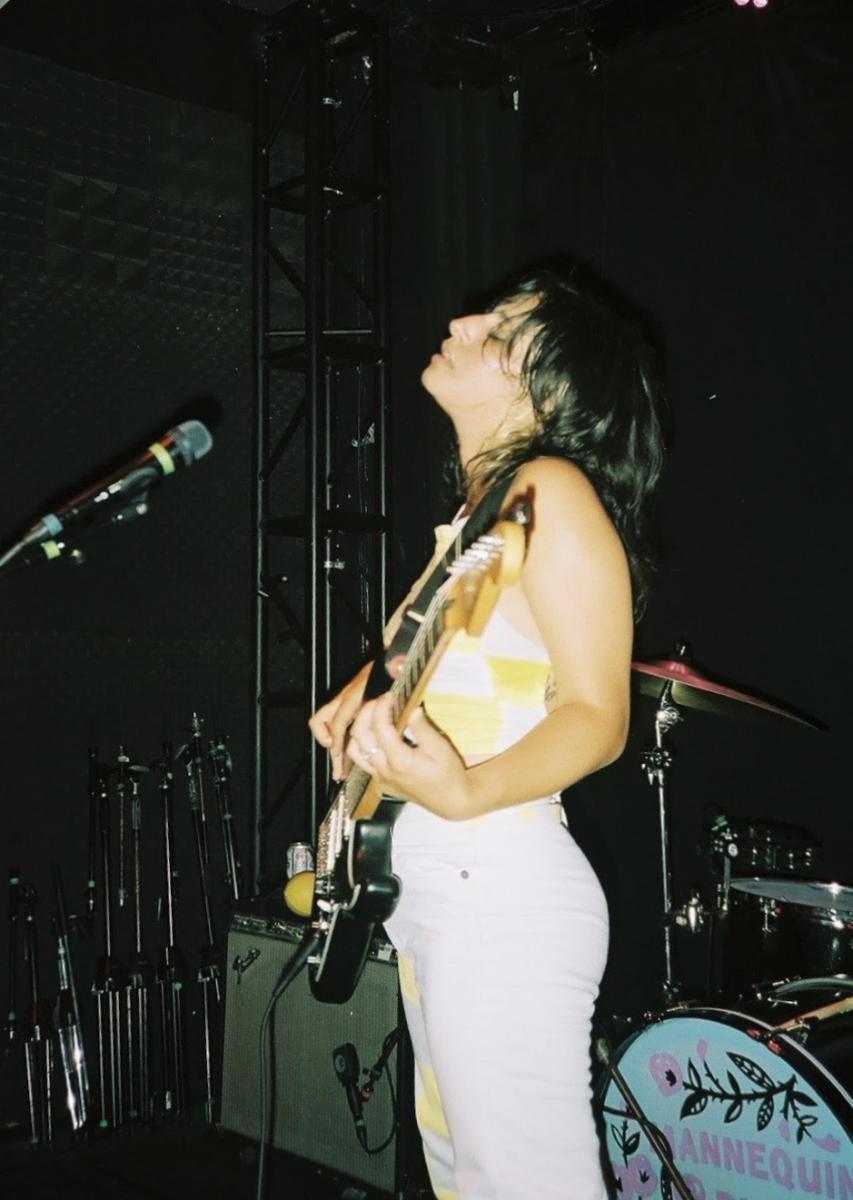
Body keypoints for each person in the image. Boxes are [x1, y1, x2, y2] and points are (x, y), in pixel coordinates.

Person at [309, 260, 666, 1200]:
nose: (464, 322)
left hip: (499, 891)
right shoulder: (475, 524)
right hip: (446, 896)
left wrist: (462, 789)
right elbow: (415, 668)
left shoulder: (548, 489)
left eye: (499, 332)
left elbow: (598, 717)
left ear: (549, 394)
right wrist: (358, 706)